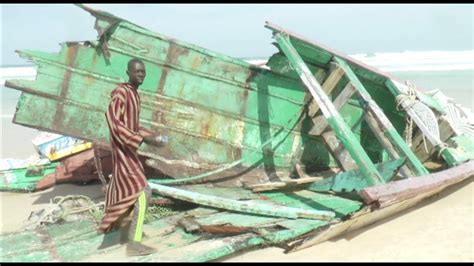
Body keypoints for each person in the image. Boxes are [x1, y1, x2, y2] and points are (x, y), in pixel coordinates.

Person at [98, 58, 166, 256]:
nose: (141, 75)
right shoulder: (122, 92)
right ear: (128, 72)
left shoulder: (134, 95)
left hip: (129, 151)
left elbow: (133, 126)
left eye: (143, 72)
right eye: (137, 71)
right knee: (143, 193)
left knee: (129, 191)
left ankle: (124, 232)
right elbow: (113, 120)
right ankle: (133, 244)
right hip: (123, 152)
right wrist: (136, 139)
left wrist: (153, 136)